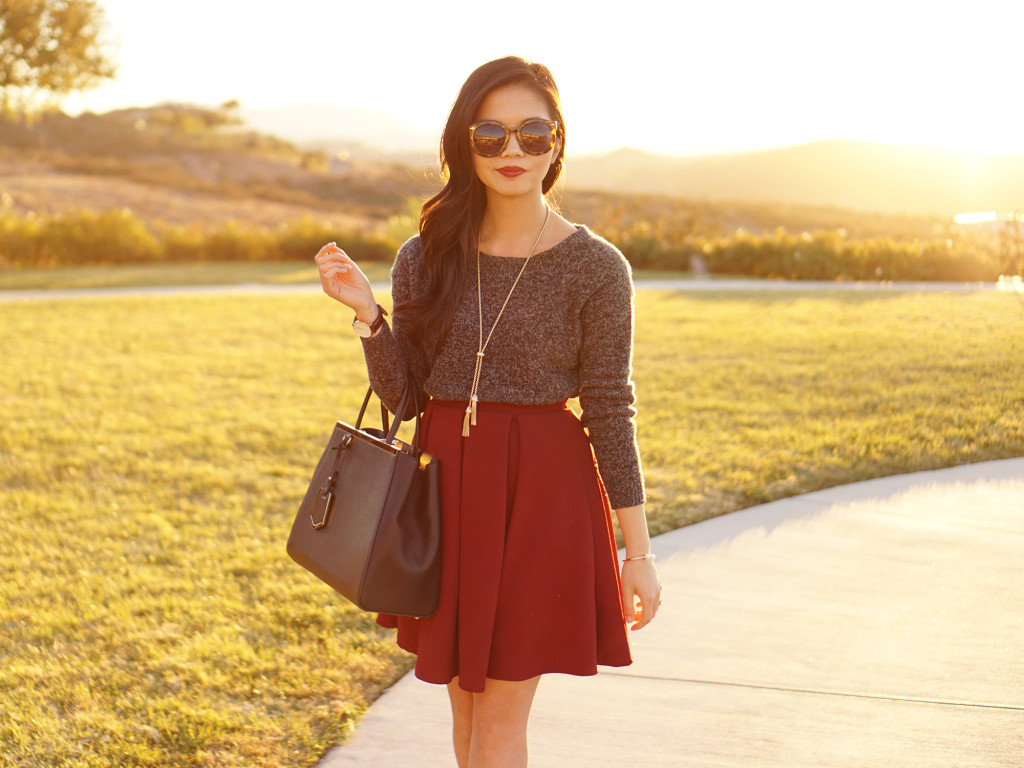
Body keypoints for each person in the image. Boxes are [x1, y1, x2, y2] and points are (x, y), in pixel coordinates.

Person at [314, 56, 662, 768]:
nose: (513, 152)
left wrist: (640, 552)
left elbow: (609, 409)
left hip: (541, 495)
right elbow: (407, 399)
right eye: (491, 135)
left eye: (533, 135)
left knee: (499, 720)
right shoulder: (427, 256)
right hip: (446, 490)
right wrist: (368, 319)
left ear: (558, 143)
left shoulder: (597, 269)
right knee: (468, 715)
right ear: (462, 144)